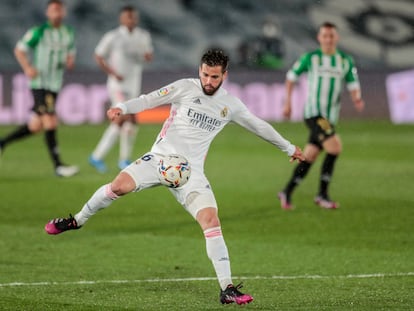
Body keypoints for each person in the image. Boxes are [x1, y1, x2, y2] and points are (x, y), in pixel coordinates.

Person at [45, 49, 305, 305]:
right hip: (159, 159)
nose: (208, 82)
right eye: (205, 75)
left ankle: (227, 288)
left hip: (190, 172)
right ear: (199, 71)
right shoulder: (184, 87)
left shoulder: (230, 105)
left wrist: (289, 147)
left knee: (211, 220)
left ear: (225, 75)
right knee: (117, 187)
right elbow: (148, 100)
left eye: (215, 77)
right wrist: (123, 107)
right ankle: (77, 220)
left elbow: (259, 126)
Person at [278, 22, 365, 210]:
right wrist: (288, 102)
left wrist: (357, 98)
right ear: (319, 38)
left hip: (329, 117)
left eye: (331, 36)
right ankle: (322, 195)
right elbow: (291, 76)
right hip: (314, 114)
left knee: (309, 156)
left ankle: (287, 191)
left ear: (337, 38)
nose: (328, 39)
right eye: (324, 35)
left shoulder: (345, 60)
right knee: (335, 148)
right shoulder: (310, 58)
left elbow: (352, 82)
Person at [0, 0, 79, 177]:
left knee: (35, 126)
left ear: (63, 13)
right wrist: (28, 67)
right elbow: (19, 50)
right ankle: (59, 166)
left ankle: (2, 142)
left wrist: (69, 62)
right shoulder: (39, 31)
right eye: (53, 10)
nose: (57, 13)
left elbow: (70, 57)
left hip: (55, 84)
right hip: (40, 84)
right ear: (47, 13)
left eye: (59, 9)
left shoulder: (68, 33)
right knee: (50, 120)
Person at [88, 5, 154, 173]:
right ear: (122, 19)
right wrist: (112, 73)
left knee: (126, 121)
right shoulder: (113, 36)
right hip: (118, 85)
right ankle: (119, 159)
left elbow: (148, 56)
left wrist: (147, 57)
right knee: (125, 117)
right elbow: (98, 55)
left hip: (133, 84)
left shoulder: (143, 36)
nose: (131, 20)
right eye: (128, 17)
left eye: (133, 17)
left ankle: (100, 157)